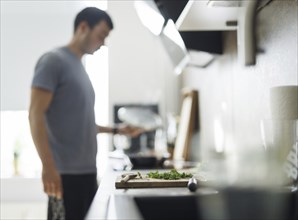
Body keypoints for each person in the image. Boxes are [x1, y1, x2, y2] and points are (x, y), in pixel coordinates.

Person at [29, 7, 142, 220]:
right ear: (83, 27)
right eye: (102, 35)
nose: (103, 43)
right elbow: (35, 115)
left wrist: (117, 130)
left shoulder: (79, 68)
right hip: (64, 176)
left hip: (86, 173)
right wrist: (48, 167)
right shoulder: (53, 61)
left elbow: (81, 122)